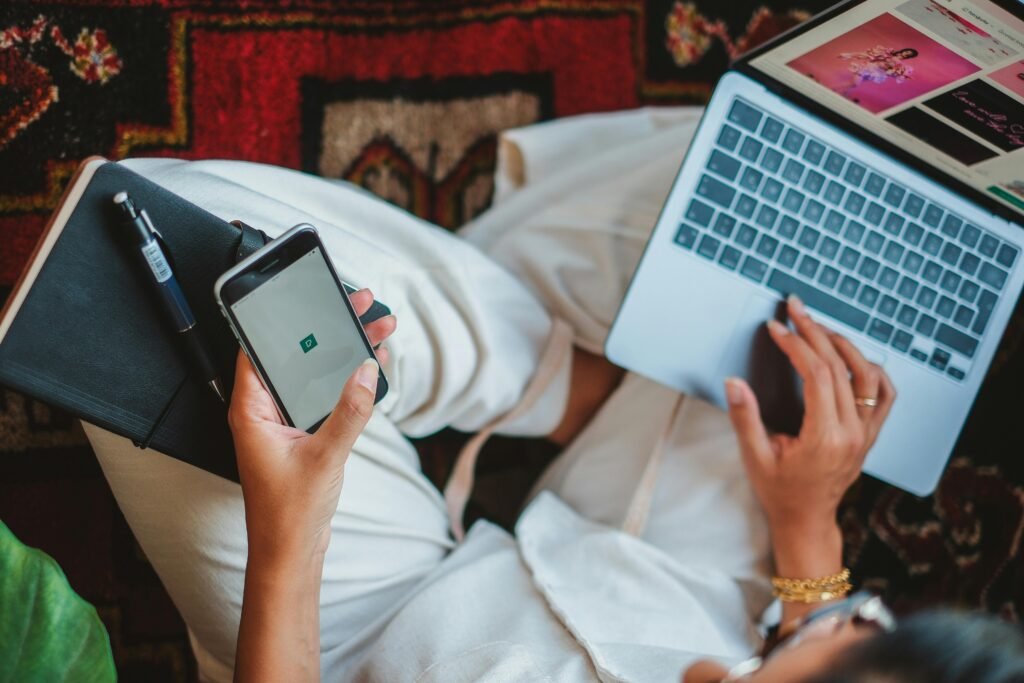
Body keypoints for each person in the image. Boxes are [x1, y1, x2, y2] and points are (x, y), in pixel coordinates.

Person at [83, 110, 1023, 682]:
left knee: (153, 237)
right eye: (867, 627)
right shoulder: (841, 629)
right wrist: (808, 528)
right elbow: (831, 624)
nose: (852, 618)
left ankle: (531, 341)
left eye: (839, 646)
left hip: (357, 624)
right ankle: (552, 384)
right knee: (782, 265)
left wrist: (291, 535)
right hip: (663, 576)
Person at [838, 45, 918, 97]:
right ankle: (840, 92)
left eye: (910, 55)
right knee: (855, 84)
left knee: (852, 84)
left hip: (876, 74)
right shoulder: (887, 53)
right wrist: (848, 55)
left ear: (910, 57)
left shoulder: (900, 65)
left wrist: (896, 73)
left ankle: (840, 92)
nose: (907, 54)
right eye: (907, 52)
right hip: (867, 68)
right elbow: (866, 55)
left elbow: (892, 73)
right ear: (904, 50)